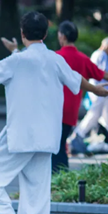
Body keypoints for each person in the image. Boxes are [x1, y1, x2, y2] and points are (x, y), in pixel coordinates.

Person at [0, 11, 108, 214]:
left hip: (22, 134)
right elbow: (78, 80)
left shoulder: (18, 60)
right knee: (37, 186)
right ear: (46, 34)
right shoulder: (55, 60)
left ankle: (0, 210)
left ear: (23, 34)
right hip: (48, 136)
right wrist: (100, 90)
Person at [52, 22, 108, 171]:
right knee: (61, 144)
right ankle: (60, 181)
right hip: (71, 111)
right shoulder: (83, 58)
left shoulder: (55, 57)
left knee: (55, 148)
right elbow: (102, 74)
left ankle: (58, 179)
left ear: (62, 36)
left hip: (54, 110)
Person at [69, 38, 108, 155]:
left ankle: (78, 136)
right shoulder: (99, 54)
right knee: (94, 115)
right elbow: (100, 73)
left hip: (100, 90)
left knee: (101, 115)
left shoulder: (101, 54)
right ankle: (77, 136)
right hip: (98, 89)